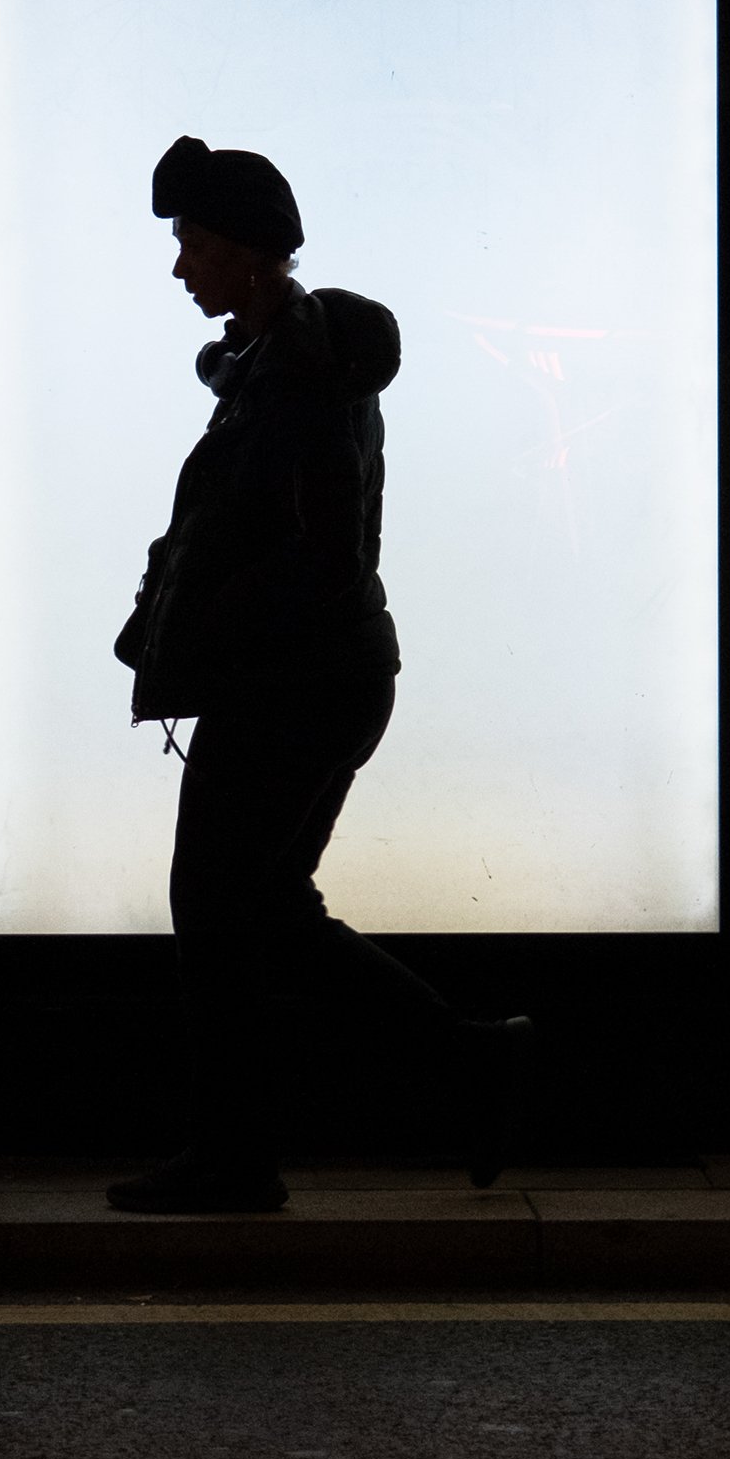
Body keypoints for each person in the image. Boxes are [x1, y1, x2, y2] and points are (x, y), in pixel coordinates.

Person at [107, 135, 532, 1213]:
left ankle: (236, 1159)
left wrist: (205, 631)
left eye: (190, 243)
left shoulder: (297, 380)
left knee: (214, 910)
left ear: (249, 253)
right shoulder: (269, 366)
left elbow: (314, 556)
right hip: (305, 679)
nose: (177, 267)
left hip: (293, 686)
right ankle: (464, 1059)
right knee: (262, 908)